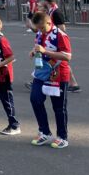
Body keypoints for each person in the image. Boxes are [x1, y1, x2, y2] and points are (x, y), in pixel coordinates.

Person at [29, 11, 72, 149]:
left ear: (49, 22)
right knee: (35, 99)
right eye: (38, 28)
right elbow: (40, 47)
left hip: (58, 74)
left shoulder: (60, 35)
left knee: (58, 107)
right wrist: (34, 51)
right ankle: (44, 131)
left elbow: (67, 56)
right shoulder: (40, 33)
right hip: (41, 72)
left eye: (42, 27)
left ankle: (62, 137)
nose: (40, 30)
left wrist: (45, 51)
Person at [40, 0, 81, 93]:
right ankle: (73, 84)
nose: (42, 3)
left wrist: (54, 38)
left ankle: (44, 80)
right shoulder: (51, 11)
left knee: (57, 62)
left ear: (47, 2)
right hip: (53, 40)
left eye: (43, 1)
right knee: (58, 63)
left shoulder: (56, 12)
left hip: (56, 42)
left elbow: (62, 28)